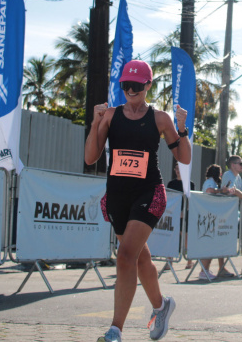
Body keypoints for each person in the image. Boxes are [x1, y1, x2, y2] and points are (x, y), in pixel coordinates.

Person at [84, 59, 191, 342]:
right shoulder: (110, 116)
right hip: (117, 195)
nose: (131, 91)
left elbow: (184, 158)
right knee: (141, 259)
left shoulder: (160, 119)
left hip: (149, 193)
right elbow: (90, 158)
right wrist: (95, 122)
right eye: (126, 86)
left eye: (136, 86)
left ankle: (115, 329)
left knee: (125, 256)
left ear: (148, 86)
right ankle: (162, 305)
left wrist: (182, 128)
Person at [199, 165, 229, 280]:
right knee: (209, 245)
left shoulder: (211, 182)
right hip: (208, 217)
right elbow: (209, 191)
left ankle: (206, 269)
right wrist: (222, 190)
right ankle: (203, 270)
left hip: (211, 217)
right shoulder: (210, 182)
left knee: (211, 245)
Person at [166, 165, 194, 271]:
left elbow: (190, 200)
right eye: (176, 168)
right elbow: (168, 199)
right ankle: (169, 262)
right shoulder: (171, 184)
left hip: (184, 214)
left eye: (179, 169)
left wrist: (184, 211)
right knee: (171, 237)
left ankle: (189, 260)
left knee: (185, 237)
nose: (178, 171)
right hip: (173, 214)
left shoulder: (189, 184)